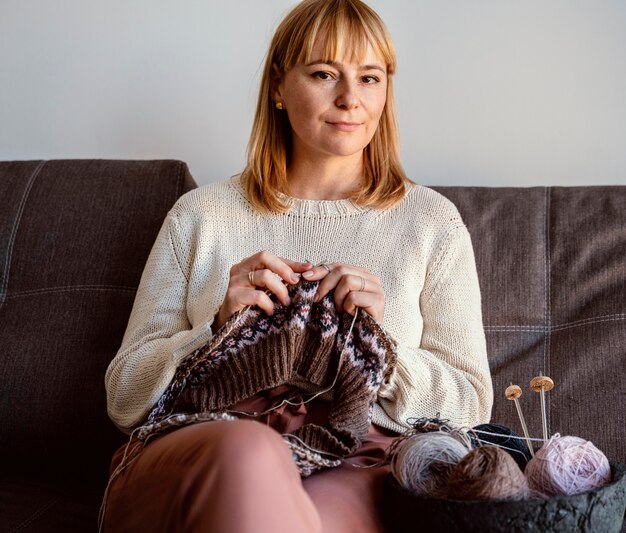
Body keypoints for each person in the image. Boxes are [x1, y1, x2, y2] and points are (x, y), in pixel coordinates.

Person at [103, 0, 493, 531]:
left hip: (357, 458)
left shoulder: (432, 223)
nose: (351, 99)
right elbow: (124, 398)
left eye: (370, 78)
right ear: (279, 88)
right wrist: (215, 330)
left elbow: (472, 402)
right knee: (251, 454)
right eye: (324, 73)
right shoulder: (201, 217)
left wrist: (383, 351)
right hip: (206, 444)